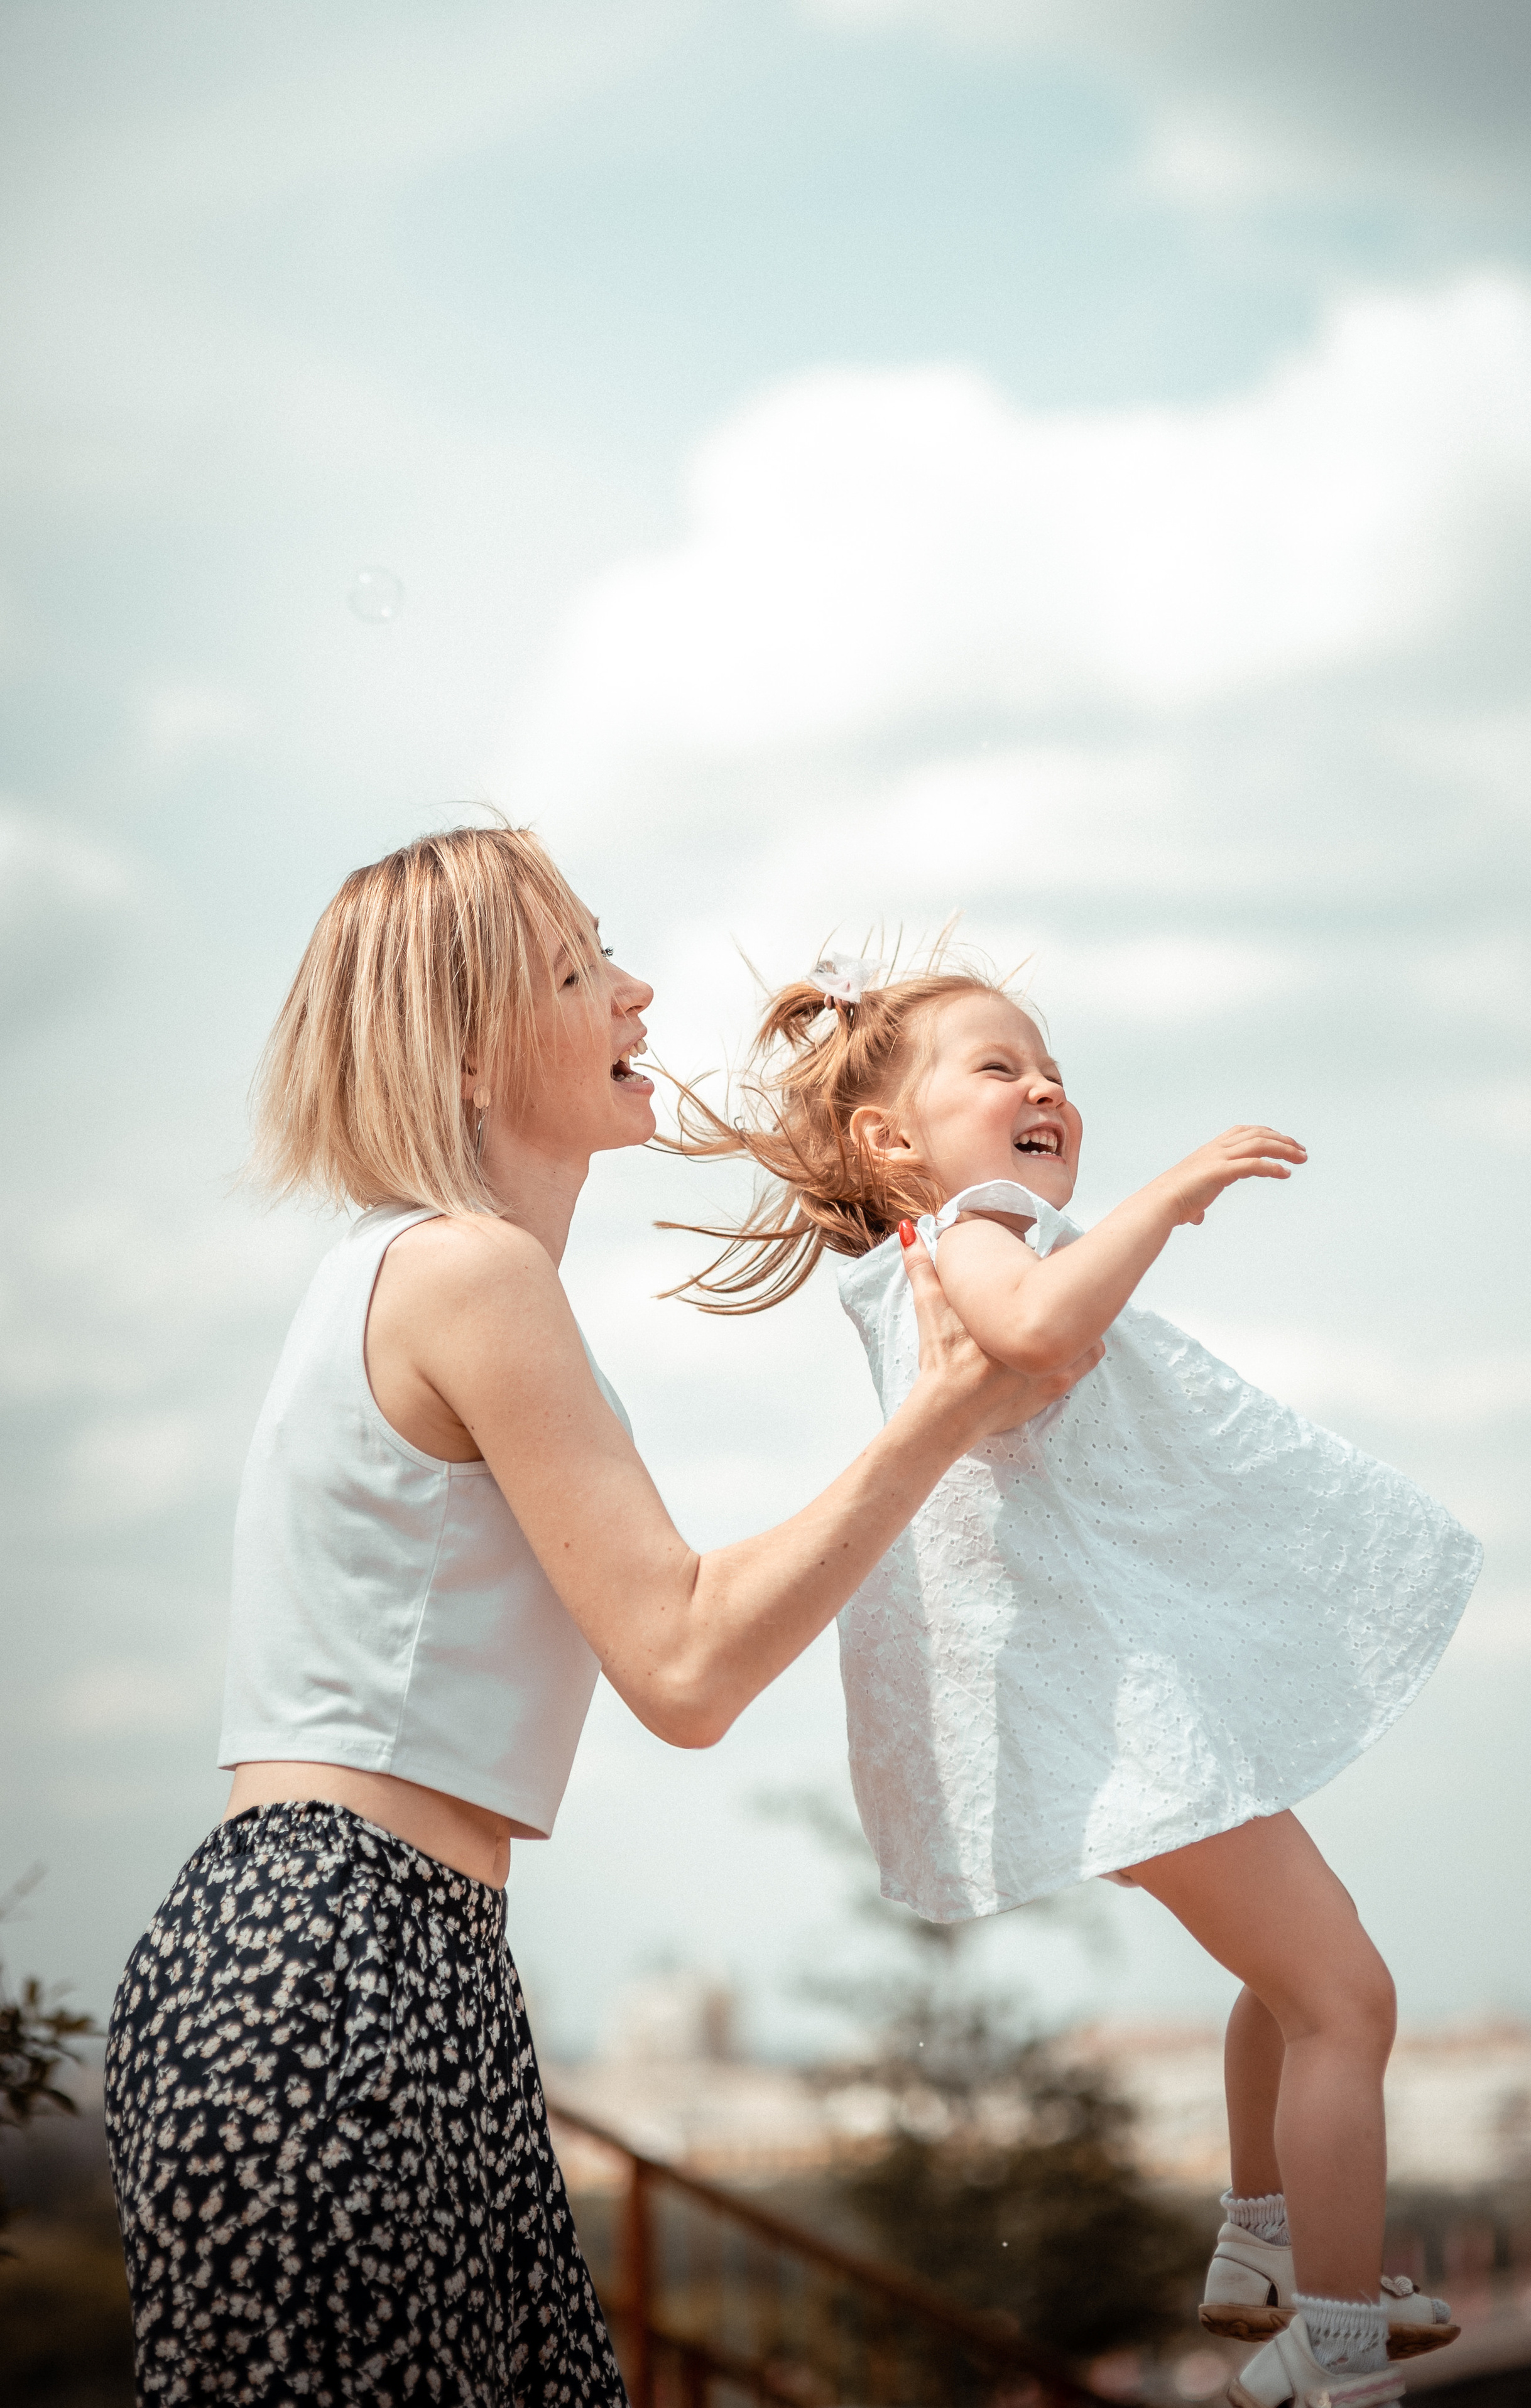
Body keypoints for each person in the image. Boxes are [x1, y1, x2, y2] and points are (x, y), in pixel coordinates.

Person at [100, 833, 1096, 2408]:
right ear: (469, 1052)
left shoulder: (417, 1269)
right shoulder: (466, 1270)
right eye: (578, 971)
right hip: (336, 1962)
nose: (634, 992)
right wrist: (941, 1411)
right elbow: (683, 1665)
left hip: (380, 1953)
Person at [663, 949, 1483, 2408]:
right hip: (1107, 1707)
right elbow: (1041, 1333)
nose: (1042, 1086)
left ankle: (1262, 2246)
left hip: (1101, 1702)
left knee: (1297, 1978)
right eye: (998, 1067)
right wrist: (1167, 1197)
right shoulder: (977, 1232)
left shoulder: (938, 1252)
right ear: (891, 1143)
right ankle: (1337, 2346)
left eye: (1051, 1067)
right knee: (1344, 2002)